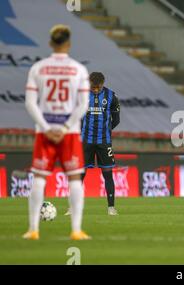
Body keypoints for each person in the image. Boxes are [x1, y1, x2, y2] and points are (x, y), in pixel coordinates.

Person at [23, 24, 91, 240]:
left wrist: (46, 128)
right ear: (69, 44)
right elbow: (83, 105)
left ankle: (33, 230)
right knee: (74, 179)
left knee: (40, 178)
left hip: (45, 132)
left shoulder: (38, 68)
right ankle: (76, 230)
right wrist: (64, 127)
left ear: (51, 43)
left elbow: (30, 104)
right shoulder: (79, 69)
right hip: (69, 132)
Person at [65, 72, 121, 216]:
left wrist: (106, 131)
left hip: (104, 142)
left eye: (98, 87)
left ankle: (111, 208)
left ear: (103, 83)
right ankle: (72, 208)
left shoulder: (111, 96)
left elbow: (116, 119)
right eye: (93, 87)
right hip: (85, 142)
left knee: (108, 174)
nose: (95, 90)